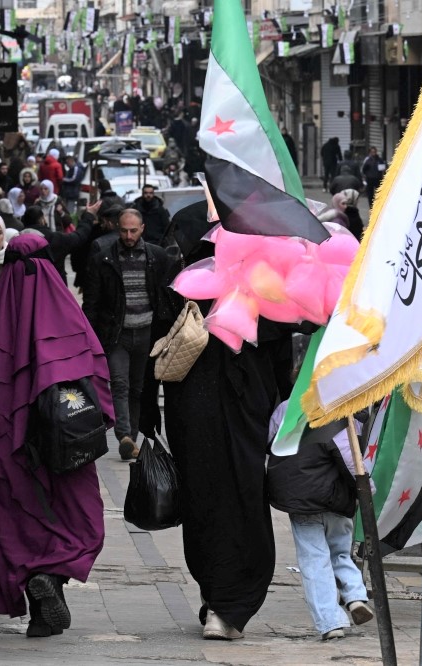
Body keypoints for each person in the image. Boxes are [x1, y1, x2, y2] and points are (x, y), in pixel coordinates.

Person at [0, 233, 112, 639]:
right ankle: (53, 577)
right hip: (67, 444)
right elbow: (95, 367)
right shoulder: (65, 310)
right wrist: (106, 419)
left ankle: (37, 590)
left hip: (10, 443)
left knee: (18, 519)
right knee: (72, 514)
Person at [161, 203, 301, 641]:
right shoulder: (250, 281)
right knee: (233, 500)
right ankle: (226, 603)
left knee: (209, 501)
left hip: (204, 410)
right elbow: (283, 351)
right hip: (232, 412)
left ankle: (220, 600)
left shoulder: (185, 282)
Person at [266, 403, 374, 641]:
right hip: (336, 499)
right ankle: (355, 596)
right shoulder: (344, 409)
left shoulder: (287, 408)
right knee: (340, 553)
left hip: (301, 500)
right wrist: (367, 488)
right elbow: (350, 457)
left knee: (314, 560)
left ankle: (330, 622)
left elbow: (270, 441)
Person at [82, 209, 171, 460]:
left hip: (147, 333)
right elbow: (93, 302)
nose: (129, 235)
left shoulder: (156, 256)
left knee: (138, 387)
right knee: (119, 384)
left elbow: (164, 297)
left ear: (142, 227)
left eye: (133, 230)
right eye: (124, 230)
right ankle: (124, 435)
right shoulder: (104, 259)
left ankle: (131, 436)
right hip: (117, 333)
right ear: (117, 229)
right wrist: (90, 335)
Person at [21, 203, 95, 283]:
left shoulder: (17, 241)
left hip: (26, 288)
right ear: (42, 220)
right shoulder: (56, 239)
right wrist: (88, 215)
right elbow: (80, 236)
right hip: (55, 288)